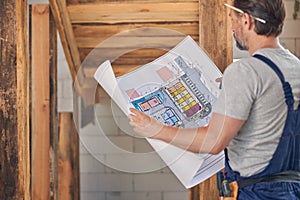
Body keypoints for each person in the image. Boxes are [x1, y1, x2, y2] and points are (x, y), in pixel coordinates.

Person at [128, 0, 300, 199]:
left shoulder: (245, 71)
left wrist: (155, 129)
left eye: (232, 21)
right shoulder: (296, 67)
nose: (232, 29)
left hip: (257, 193)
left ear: (246, 20)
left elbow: (213, 142)